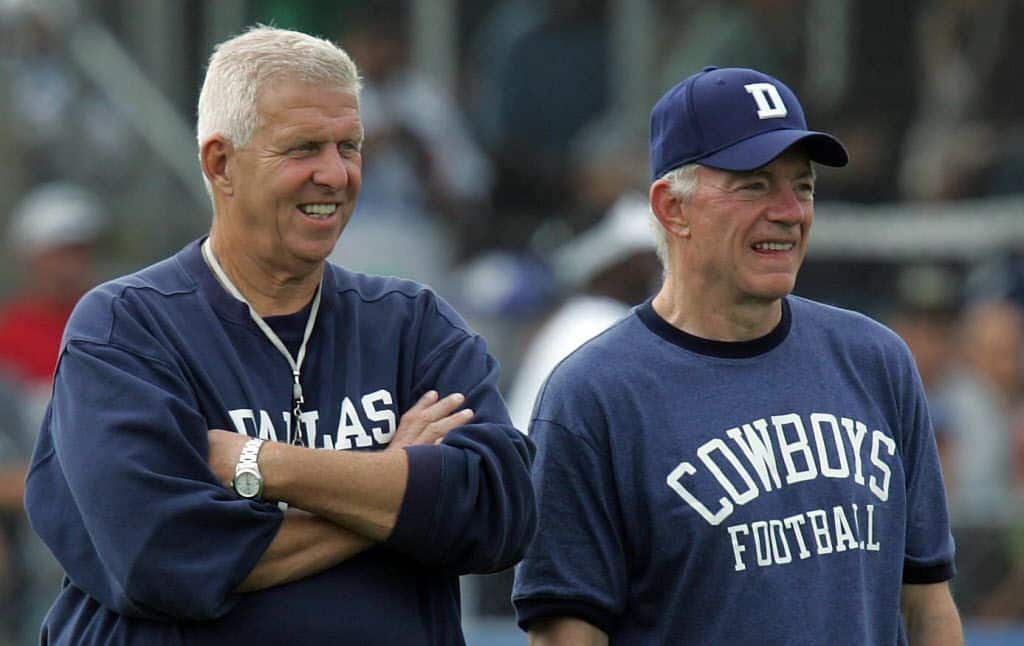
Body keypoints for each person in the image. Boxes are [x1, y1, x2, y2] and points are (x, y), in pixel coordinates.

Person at [24, 26, 535, 645]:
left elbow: (496, 512)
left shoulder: (413, 324)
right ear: (220, 164)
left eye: (350, 145)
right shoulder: (125, 329)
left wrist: (259, 465)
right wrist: (395, 485)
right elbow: (162, 558)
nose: (336, 174)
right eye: (303, 149)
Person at [512, 66, 962, 645]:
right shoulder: (595, 395)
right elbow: (567, 635)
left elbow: (926, 603)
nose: (789, 211)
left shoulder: (875, 361)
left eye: (802, 185)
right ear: (672, 209)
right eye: (754, 184)